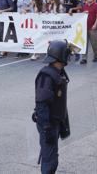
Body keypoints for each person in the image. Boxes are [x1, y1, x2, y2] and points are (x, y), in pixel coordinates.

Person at [33, 40, 72, 174]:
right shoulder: (47, 76)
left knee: (50, 157)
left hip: (54, 121)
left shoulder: (58, 71)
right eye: (66, 54)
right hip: (48, 123)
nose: (68, 56)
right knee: (50, 162)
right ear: (60, 56)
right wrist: (46, 128)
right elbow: (41, 104)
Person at [80, 0, 97, 64]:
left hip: (92, 27)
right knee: (84, 43)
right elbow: (81, 16)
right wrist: (83, 13)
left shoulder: (96, 6)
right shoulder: (84, 6)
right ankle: (84, 58)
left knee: (94, 42)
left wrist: (95, 24)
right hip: (85, 27)